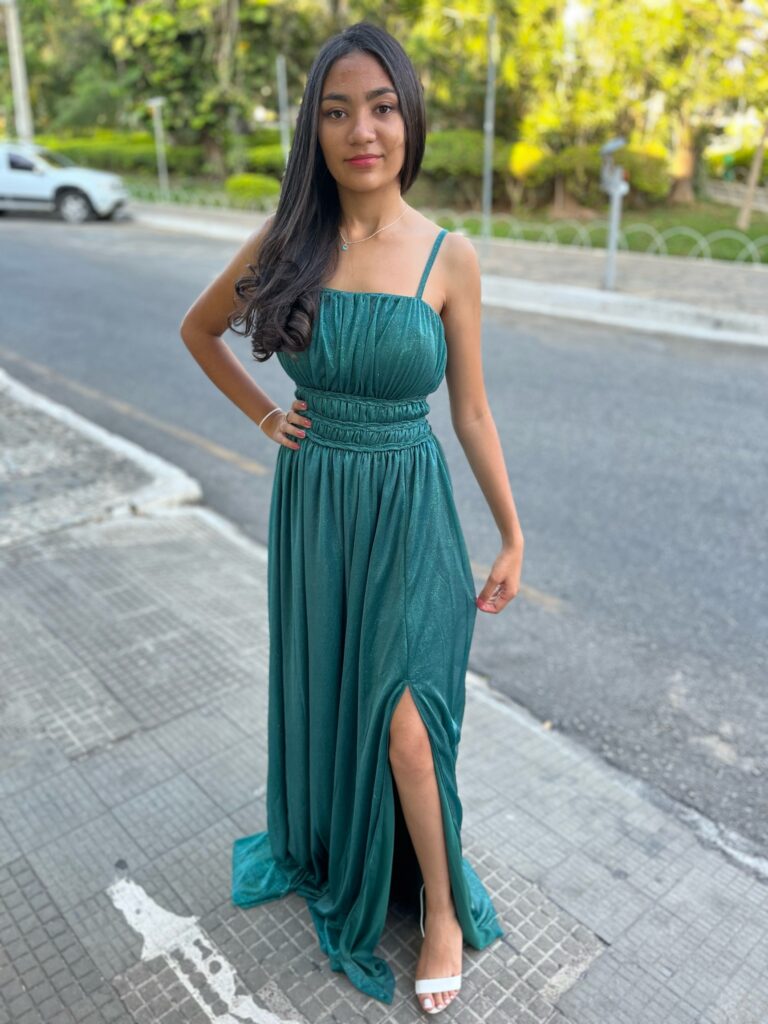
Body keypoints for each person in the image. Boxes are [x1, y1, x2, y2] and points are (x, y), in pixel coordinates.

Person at [180, 20, 524, 1016]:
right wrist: (264, 416)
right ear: (314, 129)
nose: (360, 131)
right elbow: (200, 330)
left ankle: (442, 911)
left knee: (411, 726)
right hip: (318, 505)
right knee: (338, 690)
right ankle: (348, 847)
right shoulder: (287, 242)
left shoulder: (450, 256)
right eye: (336, 112)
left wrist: (512, 534)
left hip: (411, 510)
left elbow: (471, 412)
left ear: (408, 118)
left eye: (379, 108)